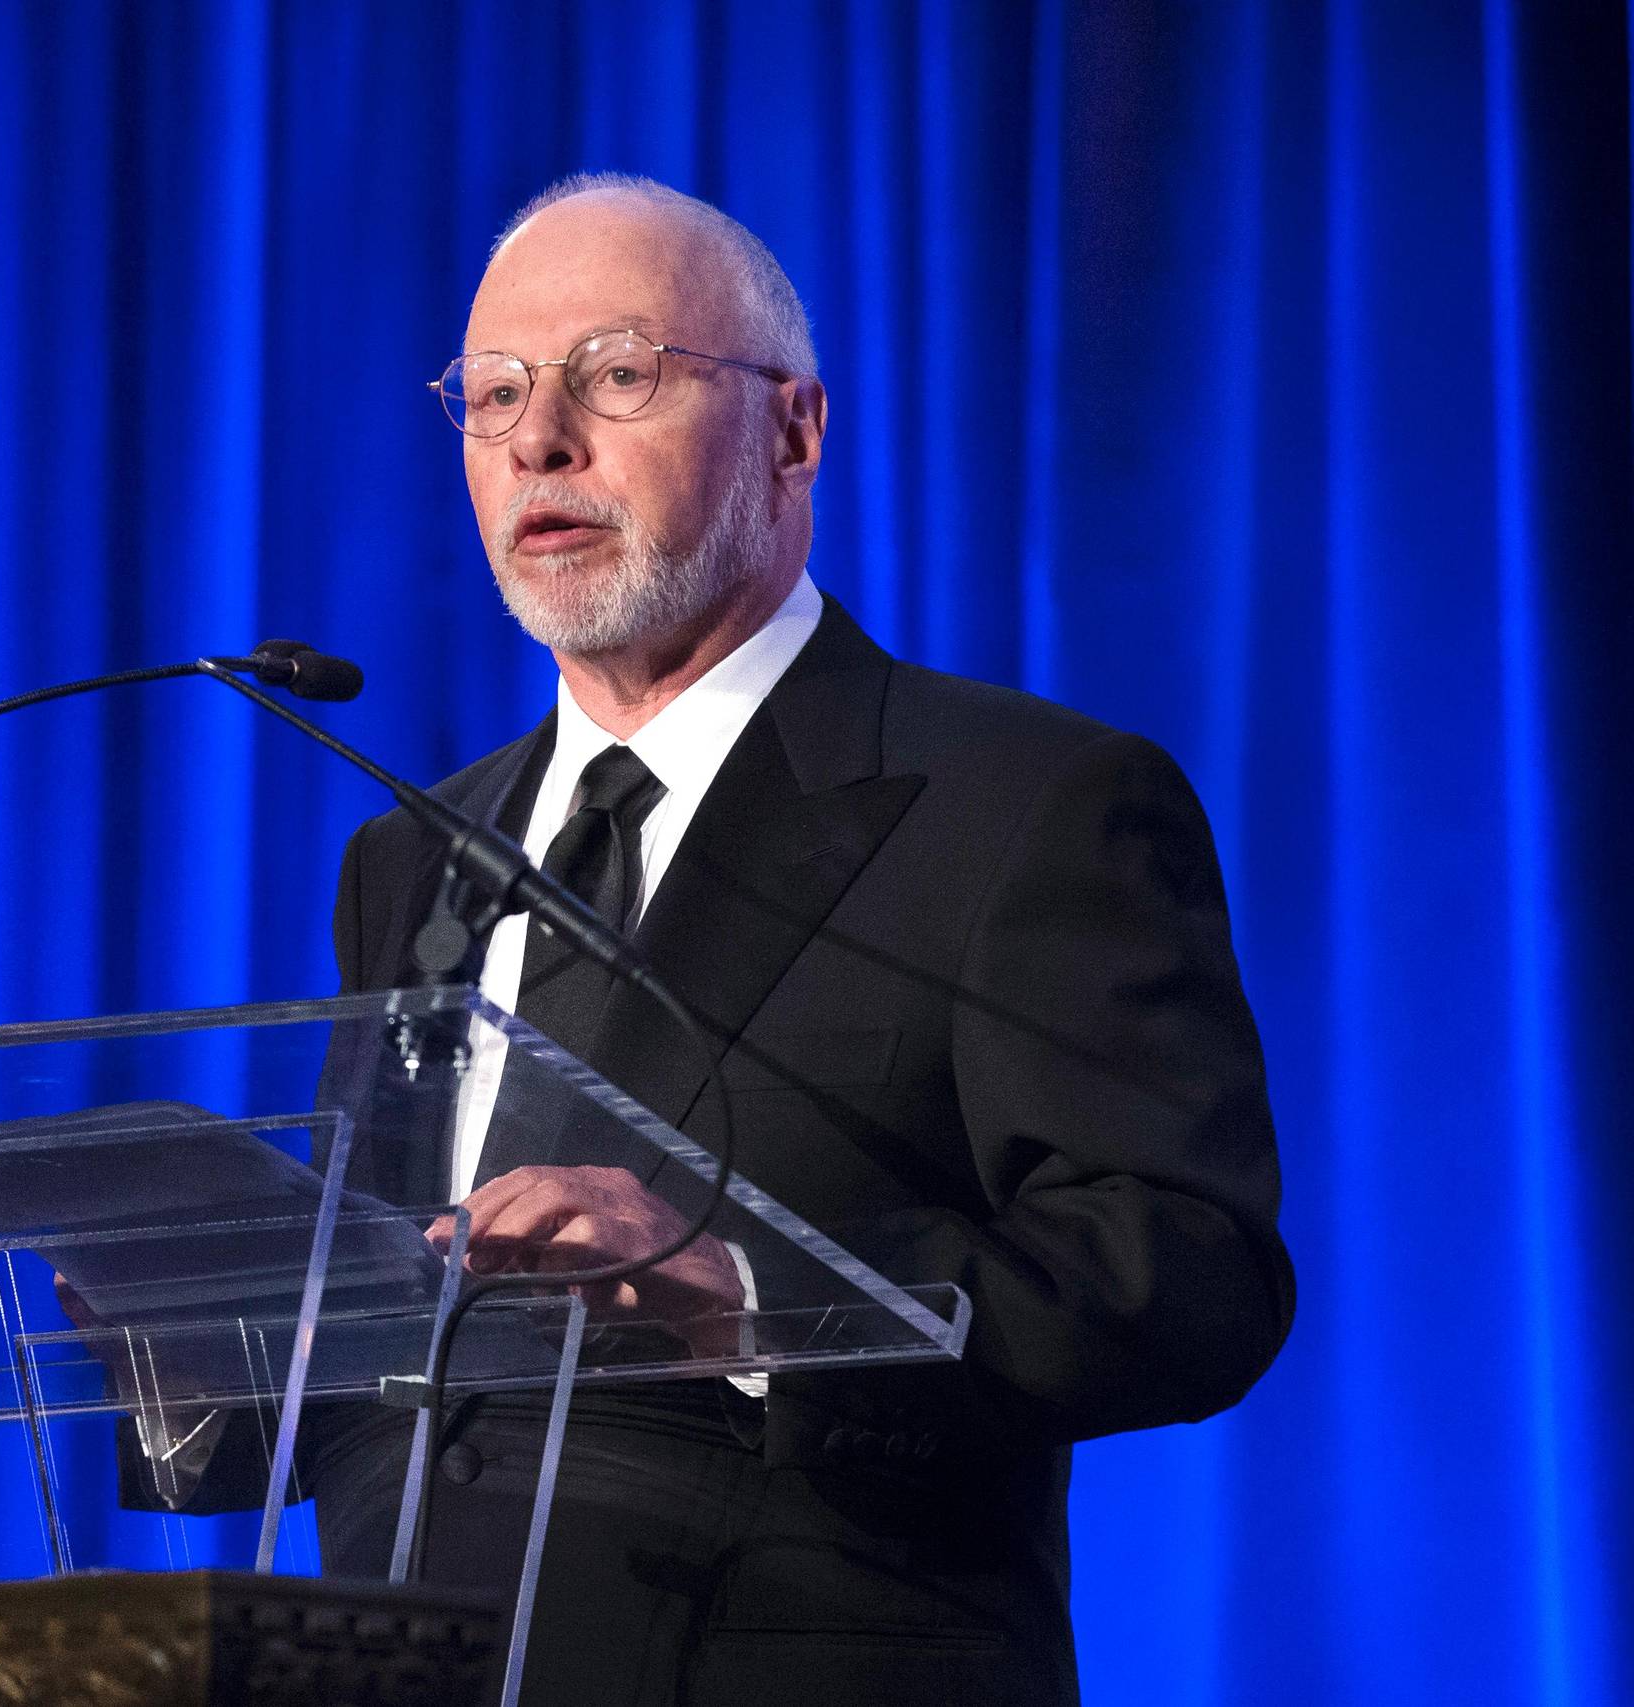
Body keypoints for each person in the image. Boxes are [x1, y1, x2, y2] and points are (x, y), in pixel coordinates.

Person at [298, 174, 1293, 1705]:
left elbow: (1186, 1273)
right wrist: (202, 1321)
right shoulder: (412, 854)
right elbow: (386, 1321)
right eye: (493, 395)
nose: (539, 441)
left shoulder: (1025, 805)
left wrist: (757, 1294)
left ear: (795, 431)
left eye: (616, 375)